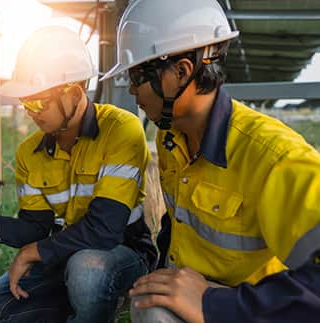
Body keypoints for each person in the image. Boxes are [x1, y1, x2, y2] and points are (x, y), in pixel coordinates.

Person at [100, 0, 320, 322]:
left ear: (181, 71)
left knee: (156, 313)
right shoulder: (170, 137)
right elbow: (176, 225)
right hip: (198, 286)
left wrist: (213, 304)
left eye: (136, 75)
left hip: (253, 307)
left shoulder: (274, 158)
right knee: (151, 301)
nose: (132, 90)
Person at [0, 26, 157, 322]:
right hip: (63, 254)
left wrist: (31, 252)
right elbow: (36, 228)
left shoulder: (121, 130)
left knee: (87, 272)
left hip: (122, 251)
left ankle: (96, 304)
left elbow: (105, 229)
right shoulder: (29, 153)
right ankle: (75, 307)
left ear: (75, 93)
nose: (32, 112)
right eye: (26, 103)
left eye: (39, 102)